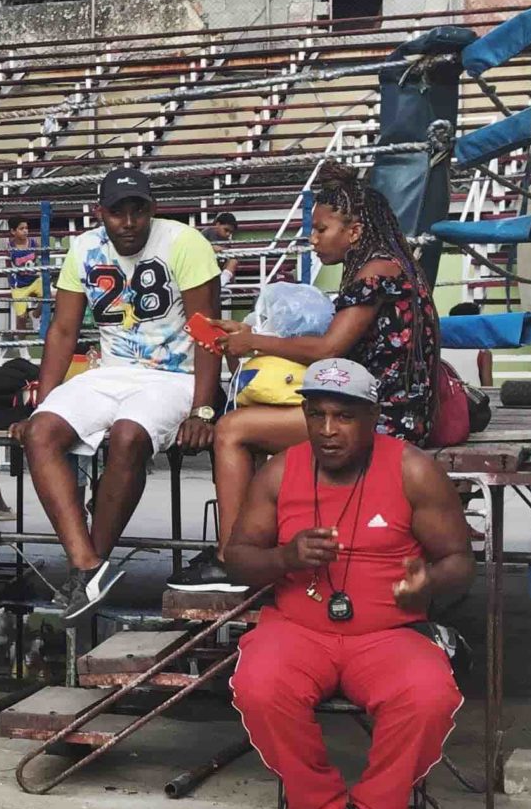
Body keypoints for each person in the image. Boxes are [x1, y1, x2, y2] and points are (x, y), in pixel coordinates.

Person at [221, 359, 473, 809]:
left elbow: (459, 560)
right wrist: (283, 559)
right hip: (299, 628)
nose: (328, 431)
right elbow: (237, 556)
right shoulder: (280, 470)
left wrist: (430, 581)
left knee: (428, 696)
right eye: (316, 416)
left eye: (343, 416)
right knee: (259, 685)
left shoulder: (412, 469)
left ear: (372, 416)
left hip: (388, 633)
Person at [174, 168, 438, 593]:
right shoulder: (389, 265)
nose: (313, 238)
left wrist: (254, 341)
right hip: (388, 406)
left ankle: (232, 560)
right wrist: (252, 335)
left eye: (321, 228)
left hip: (384, 416)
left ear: (354, 231)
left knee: (231, 429)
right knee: (261, 416)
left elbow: (328, 349)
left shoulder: (375, 273)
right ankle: (266, 544)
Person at [16, 165, 224, 617]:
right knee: (39, 432)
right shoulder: (84, 247)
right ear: (100, 212)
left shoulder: (185, 242)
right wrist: (46, 398)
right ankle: (88, 566)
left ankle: (89, 571)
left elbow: (209, 333)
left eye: (138, 210)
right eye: (117, 212)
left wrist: (203, 410)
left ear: (154, 209)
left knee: (129, 436)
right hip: (110, 371)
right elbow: (64, 329)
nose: (128, 222)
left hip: (176, 374)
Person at [6, 214, 47, 334]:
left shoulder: (33, 244)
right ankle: (22, 347)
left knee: (50, 297)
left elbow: (41, 256)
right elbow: (8, 266)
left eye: (26, 228)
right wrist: (12, 283)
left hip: (34, 280)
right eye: (21, 229)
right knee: (21, 318)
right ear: (13, 231)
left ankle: (35, 315)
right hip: (19, 285)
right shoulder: (10, 248)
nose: (25, 231)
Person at [443, 300, 494, 391]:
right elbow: (488, 389)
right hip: (472, 401)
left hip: (446, 400)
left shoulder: (438, 350)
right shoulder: (483, 352)